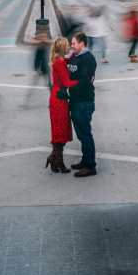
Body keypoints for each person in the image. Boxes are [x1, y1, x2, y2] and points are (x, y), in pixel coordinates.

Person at [57, 32, 97, 178]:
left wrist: (67, 92)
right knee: (82, 134)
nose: (71, 46)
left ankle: (90, 166)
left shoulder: (88, 58)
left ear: (82, 43)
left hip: (84, 102)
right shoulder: (77, 57)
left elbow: (85, 82)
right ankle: (85, 160)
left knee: (85, 135)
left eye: (73, 43)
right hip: (77, 102)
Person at [47, 37, 78, 173]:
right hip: (58, 100)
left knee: (61, 129)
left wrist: (75, 51)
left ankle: (54, 158)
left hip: (58, 99)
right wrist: (83, 81)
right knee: (60, 130)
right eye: (67, 45)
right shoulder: (59, 63)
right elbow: (67, 83)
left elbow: (70, 60)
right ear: (60, 48)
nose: (69, 47)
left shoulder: (60, 61)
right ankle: (58, 161)